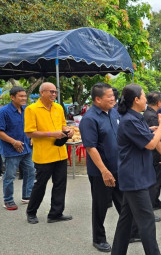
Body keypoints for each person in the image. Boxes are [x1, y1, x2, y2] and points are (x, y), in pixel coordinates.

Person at [112, 84, 161, 255]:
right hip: (135, 179)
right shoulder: (130, 120)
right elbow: (151, 144)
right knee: (147, 222)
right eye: (144, 96)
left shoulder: (134, 117)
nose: (146, 99)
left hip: (135, 176)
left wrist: (152, 129)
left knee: (125, 221)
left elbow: (143, 135)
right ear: (136, 100)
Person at [79, 83, 123, 253]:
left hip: (118, 167)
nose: (113, 99)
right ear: (98, 99)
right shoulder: (89, 119)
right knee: (101, 206)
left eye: (113, 96)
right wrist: (104, 171)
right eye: (109, 96)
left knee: (123, 202)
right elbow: (91, 148)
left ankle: (131, 231)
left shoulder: (113, 112)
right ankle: (98, 238)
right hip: (101, 172)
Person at [24, 82, 74, 224]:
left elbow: (63, 124)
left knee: (60, 184)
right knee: (40, 185)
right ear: (42, 93)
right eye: (50, 92)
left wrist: (68, 130)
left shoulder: (58, 107)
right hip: (43, 155)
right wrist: (52, 134)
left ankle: (55, 214)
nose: (54, 94)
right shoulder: (31, 109)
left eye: (55, 92)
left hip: (60, 152)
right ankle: (31, 212)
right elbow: (29, 133)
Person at [0, 86, 35, 210]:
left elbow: (30, 128)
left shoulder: (26, 110)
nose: (24, 98)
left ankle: (27, 195)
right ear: (12, 97)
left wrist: (31, 137)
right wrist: (14, 142)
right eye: (21, 96)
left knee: (31, 171)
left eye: (25, 96)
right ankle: (8, 200)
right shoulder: (4, 112)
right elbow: (0, 131)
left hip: (26, 149)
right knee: (10, 176)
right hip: (11, 151)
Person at [143, 92, 161, 210]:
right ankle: (151, 205)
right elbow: (155, 138)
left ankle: (155, 200)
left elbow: (159, 130)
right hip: (155, 152)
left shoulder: (148, 113)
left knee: (157, 178)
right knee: (155, 179)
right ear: (159, 102)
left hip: (153, 152)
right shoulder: (151, 116)